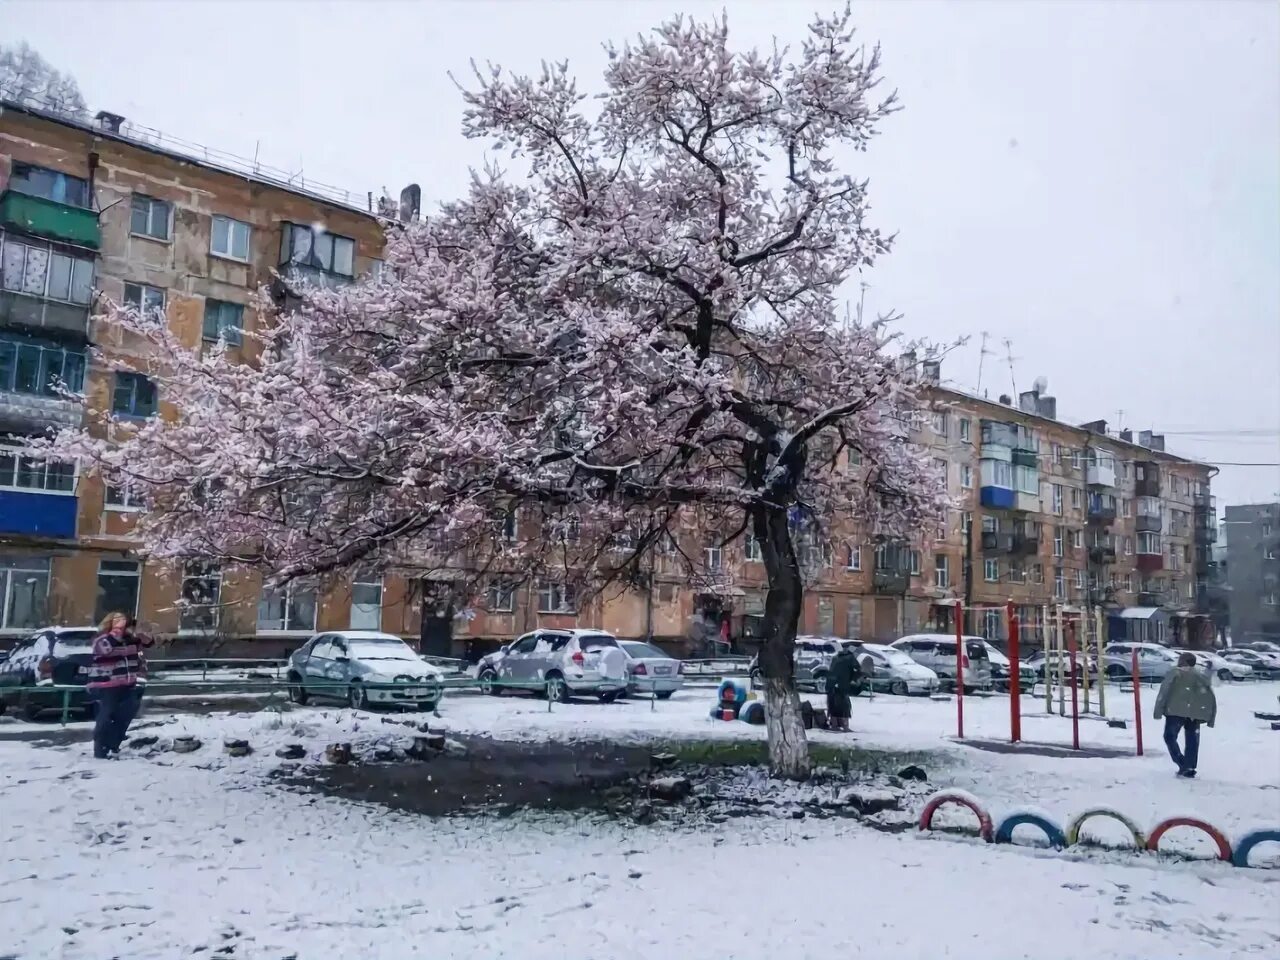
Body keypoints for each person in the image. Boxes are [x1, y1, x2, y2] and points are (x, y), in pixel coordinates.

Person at [88, 612, 153, 759]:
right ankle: (101, 750)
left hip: (128, 683)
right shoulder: (101, 639)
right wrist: (116, 632)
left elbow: (149, 643)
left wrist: (142, 632)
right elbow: (106, 650)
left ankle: (113, 745)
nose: (125, 628)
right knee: (106, 716)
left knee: (125, 715)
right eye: (121, 623)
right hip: (105, 684)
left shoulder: (130, 641)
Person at [1153, 651, 1217, 778]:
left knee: (1169, 737)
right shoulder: (1200, 675)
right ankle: (1190, 765)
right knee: (1192, 740)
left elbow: (1164, 691)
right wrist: (1209, 715)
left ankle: (1181, 762)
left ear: (1184, 661)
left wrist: (1158, 710)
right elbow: (1209, 695)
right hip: (1194, 714)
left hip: (1175, 711)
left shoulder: (1175, 673)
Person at [825, 643, 862, 732]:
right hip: (840, 685)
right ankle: (841, 725)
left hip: (834, 684)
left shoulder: (837, 658)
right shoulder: (849, 658)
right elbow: (857, 670)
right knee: (843, 705)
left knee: (835, 705)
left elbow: (831, 671)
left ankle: (836, 724)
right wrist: (854, 679)